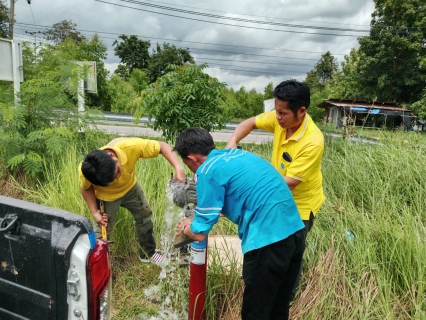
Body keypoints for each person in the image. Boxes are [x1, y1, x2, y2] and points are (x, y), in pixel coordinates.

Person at [174, 128, 305, 320]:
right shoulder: (237, 154)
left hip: (268, 241)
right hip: (295, 232)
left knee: (256, 312)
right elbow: (244, 195)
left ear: (192, 158)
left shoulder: (207, 171)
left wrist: (186, 227)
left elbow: (199, 233)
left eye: (186, 162)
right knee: (278, 307)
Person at [226, 79, 325, 296]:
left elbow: (290, 183)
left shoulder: (313, 141)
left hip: (299, 204)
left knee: (290, 250)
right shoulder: (281, 119)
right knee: (267, 242)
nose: (277, 117)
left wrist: (248, 185)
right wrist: (232, 141)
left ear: (301, 111)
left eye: (283, 114)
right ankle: (263, 286)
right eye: (276, 112)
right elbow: (248, 123)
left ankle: (286, 296)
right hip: (274, 193)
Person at [79, 137, 185, 263]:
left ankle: (148, 254)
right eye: (110, 180)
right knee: (102, 233)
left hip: (131, 189)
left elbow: (162, 146)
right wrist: (95, 212)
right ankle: (99, 265)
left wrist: (179, 168)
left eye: (118, 171)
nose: (118, 177)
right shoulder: (86, 169)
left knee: (145, 215)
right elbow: (86, 189)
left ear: (112, 155)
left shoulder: (130, 147)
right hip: (106, 198)